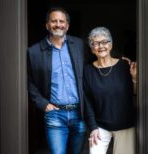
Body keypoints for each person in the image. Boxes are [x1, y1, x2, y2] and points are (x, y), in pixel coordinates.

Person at [27, 7, 87, 154]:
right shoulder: (34, 51)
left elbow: (93, 69)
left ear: (67, 25)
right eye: (54, 21)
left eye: (62, 21)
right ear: (47, 25)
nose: (58, 24)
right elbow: (28, 81)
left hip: (79, 112)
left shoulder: (80, 45)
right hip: (55, 114)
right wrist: (43, 104)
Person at [84, 27, 137, 154]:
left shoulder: (125, 66)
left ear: (111, 45)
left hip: (125, 125)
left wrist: (135, 78)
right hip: (100, 126)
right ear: (92, 49)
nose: (101, 46)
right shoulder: (87, 70)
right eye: (96, 43)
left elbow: (135, 94)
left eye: (104, 42)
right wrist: (93, 127)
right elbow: (87, 101)